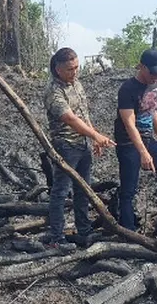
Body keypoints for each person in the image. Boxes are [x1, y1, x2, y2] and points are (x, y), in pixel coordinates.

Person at [44, 47, 115, 248]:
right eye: (69, 69)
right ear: (58, 69)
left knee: (83, 189)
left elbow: (83, 114)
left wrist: (93, 137)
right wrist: (96, 135)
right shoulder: (53, 91)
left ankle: (83, 231)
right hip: (65, 145)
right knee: (60, 191)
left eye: (76, 68)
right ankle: (56, 238)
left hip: (82, 143)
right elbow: (70, 118)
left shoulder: (76, 84)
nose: (74, 72)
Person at [115, 49, 157, 236]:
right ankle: (128, 233)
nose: (156, 76)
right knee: (129, 189)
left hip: (148, 138)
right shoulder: (127, 89)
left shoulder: (154, 87)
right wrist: (143, 152)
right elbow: (129, 124)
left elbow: (153, 112)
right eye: (153, 72)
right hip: (128, 143)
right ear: (142, 67)